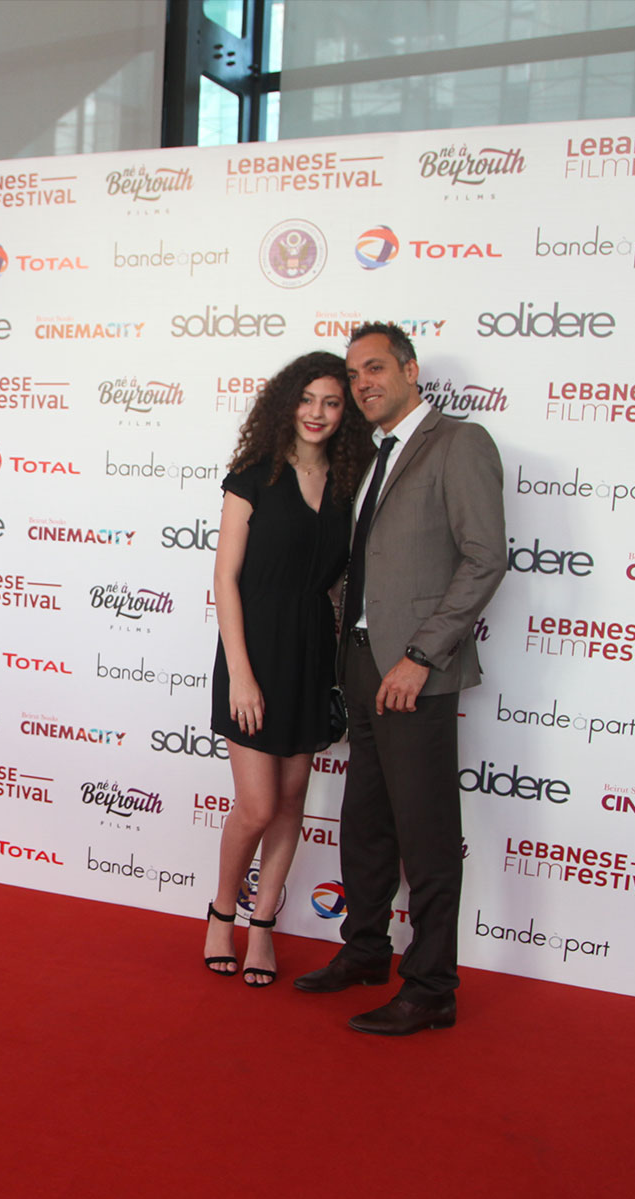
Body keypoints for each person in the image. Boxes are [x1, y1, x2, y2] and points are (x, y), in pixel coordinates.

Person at [292, 321, 505, 1035]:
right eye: (354, 375)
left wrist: (421, 655)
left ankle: (433, 986)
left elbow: (485, 558)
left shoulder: (458, 443)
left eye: (376, 368)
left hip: (415, 670)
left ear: (412, 370)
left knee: (427, 833)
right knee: (366, 823)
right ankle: (365, 950)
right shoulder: (367, 455)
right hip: (358, 663)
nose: (363, 385)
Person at [203, 351, 372, 987]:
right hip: (252, 651)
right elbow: (225, 578)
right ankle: (222, 913)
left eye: (332, 402)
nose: (317, 413)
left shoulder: (350, 486)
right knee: (256, 805)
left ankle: (263, 926)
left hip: (310, 652)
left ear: (345, 413)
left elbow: (338, 583)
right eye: (307, 399)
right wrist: (241, 675)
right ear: (286, 403)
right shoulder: (252, 478)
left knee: (291, 801)